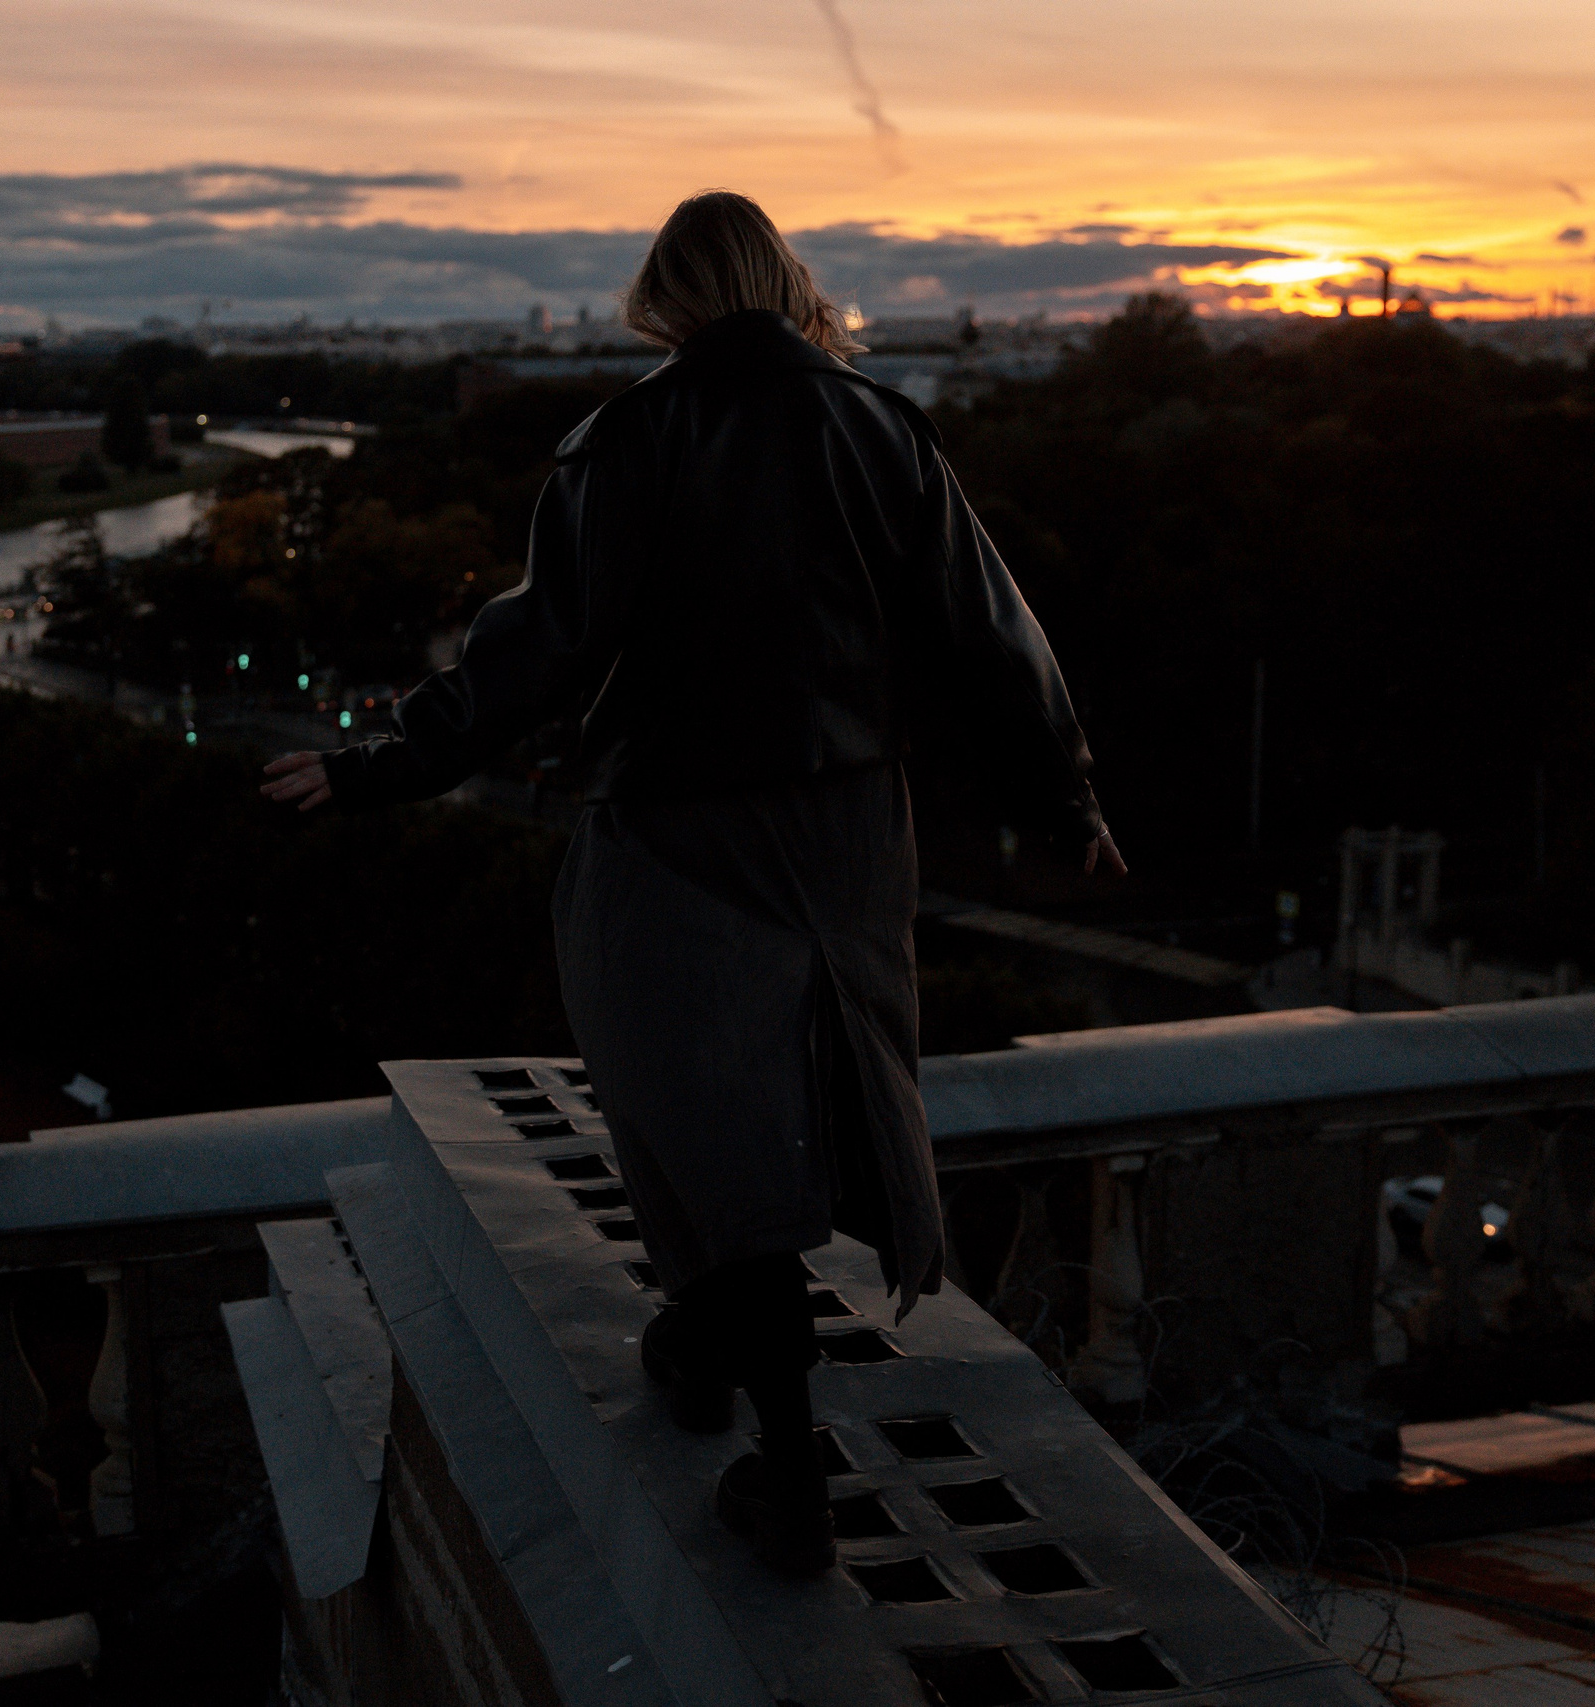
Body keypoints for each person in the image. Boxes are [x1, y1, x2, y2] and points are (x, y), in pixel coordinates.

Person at [263, 190, 1122, 1575]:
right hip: (848, 830)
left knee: (699, 1121)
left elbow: (536, 652)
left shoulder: (630, 441)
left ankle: (782, 1463)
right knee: (813, 1100)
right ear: (786, 285)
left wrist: (377, 768)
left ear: (662, 299)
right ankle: (710, 1353)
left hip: (674, 829)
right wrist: (1062, 796)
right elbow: (990, 633)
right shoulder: (881, 427)